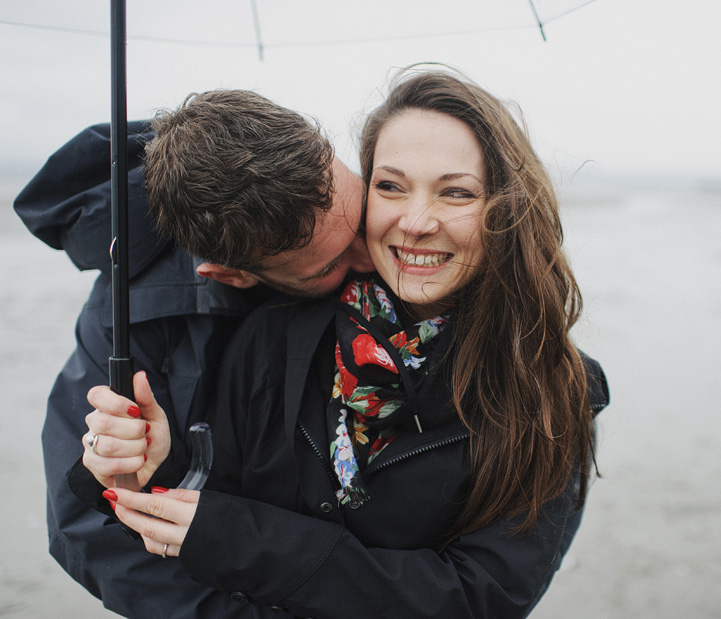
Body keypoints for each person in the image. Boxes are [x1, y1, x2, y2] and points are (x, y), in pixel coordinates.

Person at [76, 70, 610, 618]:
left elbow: (480, 601)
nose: (416, 222)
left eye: (456, 192)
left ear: (510, 210)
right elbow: (206, 512)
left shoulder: (552, 393)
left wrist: (251, 543)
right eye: (391, 186)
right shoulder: (274, 334)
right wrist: (159, 467)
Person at [15, 90, 372, 618]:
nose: (372, 254)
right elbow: (87, 528)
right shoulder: (128, 319)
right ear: (232, 276)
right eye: (330, 264)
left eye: (363, 213)